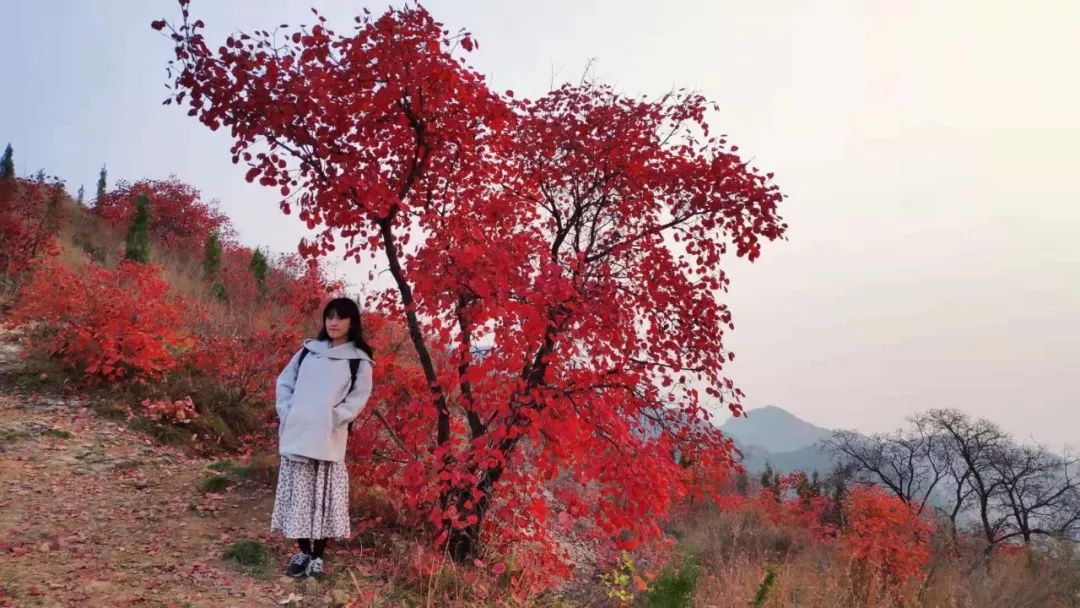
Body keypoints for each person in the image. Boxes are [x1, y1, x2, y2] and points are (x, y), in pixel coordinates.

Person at [271, 297, 374, 579]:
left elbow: (358, 398)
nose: (333, 322)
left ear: (352, 322)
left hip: (328, 439)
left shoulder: (358, 361)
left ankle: (318, 556)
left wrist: (335, 417)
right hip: (298, 434)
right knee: (299, 496)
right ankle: (303, 551)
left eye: (340, 317)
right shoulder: (307, 352)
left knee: (323, 498)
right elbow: (284, 382)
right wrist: (287, 409)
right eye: (329, 316)